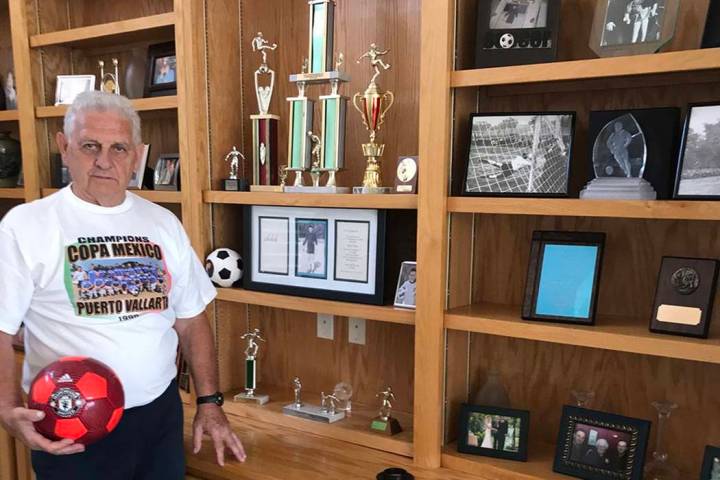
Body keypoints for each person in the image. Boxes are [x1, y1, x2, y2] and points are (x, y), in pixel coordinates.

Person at [0, 92, 245, 479]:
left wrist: (210, 403)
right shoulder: (25, 226)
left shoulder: (163, 223)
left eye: (118, 148)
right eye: (89, 146)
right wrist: (7, 407)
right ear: (64, 147)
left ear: (137, 156)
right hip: (70, 423)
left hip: (158, 417)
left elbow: (191, 321)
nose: (104, 160)